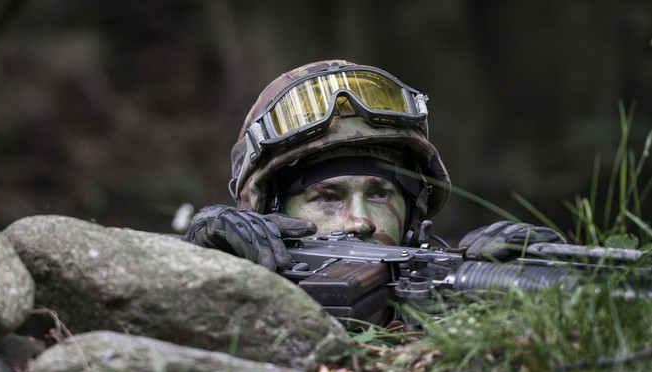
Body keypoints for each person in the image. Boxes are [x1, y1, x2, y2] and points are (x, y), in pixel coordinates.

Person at [182, 59, 563, 270]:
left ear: (413, 209)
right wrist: (195, 260)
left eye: (380, 193)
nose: (359, 222)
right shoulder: (232, 306)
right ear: (269, 213)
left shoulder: (457, 304)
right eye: (328, 196)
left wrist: (550, 276)